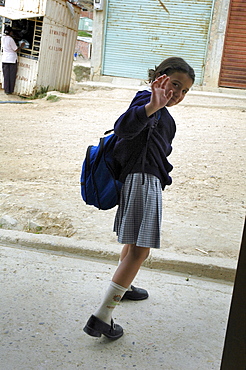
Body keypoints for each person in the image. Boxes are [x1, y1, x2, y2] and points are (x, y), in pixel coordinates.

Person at [83, 57, 195, 340]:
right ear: (159, 77)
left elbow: (158, 152)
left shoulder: (164, 116)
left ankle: (126, 286)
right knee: (140, 250)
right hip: (143, 180)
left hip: (146, 181)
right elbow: (123, 128)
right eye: (175, 85)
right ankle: (101, 317)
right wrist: (150, 107)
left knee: (133, 243)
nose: (178, 95)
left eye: (185, 91)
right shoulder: (147, 102)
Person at [2, 26, 25, 95]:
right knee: (11, 76)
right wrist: (21, 46)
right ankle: (10, 90)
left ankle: (6, 90)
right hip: (12, 60)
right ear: (10, 32)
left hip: (5, 59)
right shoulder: (10, 39)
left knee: (6, 76)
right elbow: (15, 49)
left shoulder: (3, 38)